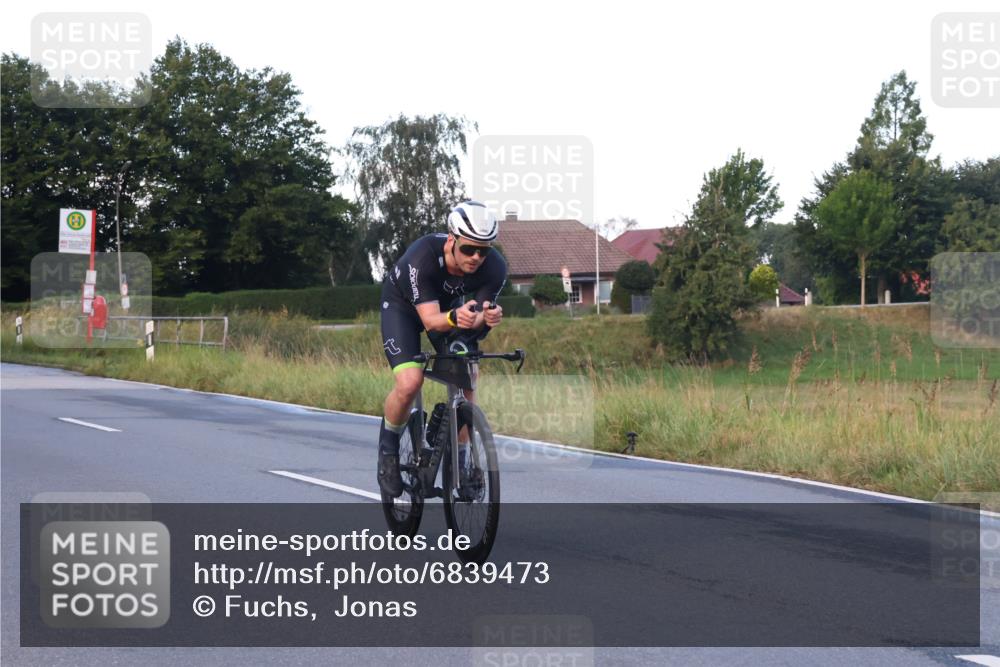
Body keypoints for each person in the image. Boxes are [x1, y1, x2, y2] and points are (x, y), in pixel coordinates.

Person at [377, 201, 507, 497]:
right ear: (452, 240)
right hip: (403, 308)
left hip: (446, 310)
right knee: (410, 382)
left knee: (467, 371)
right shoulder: (422, 257)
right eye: (468, 249)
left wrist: (487, 318)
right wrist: (454, 317)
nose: (476, 257)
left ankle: (460, 461)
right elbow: (431, 321)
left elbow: (477, 317)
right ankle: (388, 453)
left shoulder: (495, 267)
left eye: (483, 251)